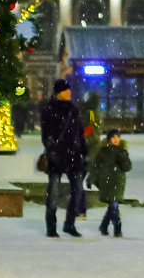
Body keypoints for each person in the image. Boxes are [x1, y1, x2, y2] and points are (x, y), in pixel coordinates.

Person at [38, 79, 89, 238]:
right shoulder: (49, 109)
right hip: (57, 156)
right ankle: (51, 227)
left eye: (69, 90)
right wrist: (51, 148)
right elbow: (46, 134)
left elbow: (79, 132)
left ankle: (69, 224)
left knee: (78, 190)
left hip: (74, 155)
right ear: (58, 92)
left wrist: (84, 151)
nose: (68, 93)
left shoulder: (73, 109)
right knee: (53, 193)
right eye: (65, 90)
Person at [89, 132, 132, 236]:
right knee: (113, 205)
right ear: (109, 139)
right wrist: (92, 179)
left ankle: (110, 227)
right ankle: (111, 227)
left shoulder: (122, 151)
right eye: (113, 137)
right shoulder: (103, 151)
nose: (116, 139)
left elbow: (127, 168)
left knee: (113, 205)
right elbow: (95, 166)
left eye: (118, 137)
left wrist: (123, 158)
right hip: (106, 182)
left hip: (118, 182)